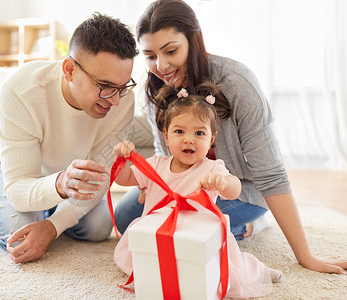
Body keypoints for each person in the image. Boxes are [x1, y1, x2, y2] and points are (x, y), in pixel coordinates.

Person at [115, 0, 347, 274]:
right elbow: (163, 152)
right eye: (150, 55)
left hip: (238, 190)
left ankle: (249, 225)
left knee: (187, 222)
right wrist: (149, 187)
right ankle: (224, 229)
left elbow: (271, 175)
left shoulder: (238, 82)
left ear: (194, 40)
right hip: (180, 185)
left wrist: (306, 256)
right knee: (126, 216)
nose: (161, 65)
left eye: (171, 51)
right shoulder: (157, 88)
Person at [0, 13, 138, 264]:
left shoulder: (121, 101)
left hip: (68, 175)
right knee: (18, 237)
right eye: (104, 86)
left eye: (122, 86)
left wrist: (52, 226)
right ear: (69, 70)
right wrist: (60, 186)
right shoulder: (21, 91)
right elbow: (18, 188)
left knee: (98, 228)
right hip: (2, 165)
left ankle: (46, 208)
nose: (115, 100)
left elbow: (99, 178)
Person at [112, 83, 282, 298]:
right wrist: (122, 159)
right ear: (166, 135)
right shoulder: (155, 164)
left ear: (211, 139)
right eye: (179, 131)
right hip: (161, 234)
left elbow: (234, 190)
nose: (188, 139)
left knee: (230, 273)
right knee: (144, 265)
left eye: (199, 133)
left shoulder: (212, 167)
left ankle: (257, 269)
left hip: (197, 237)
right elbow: (124, 178)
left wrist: (222, 182)